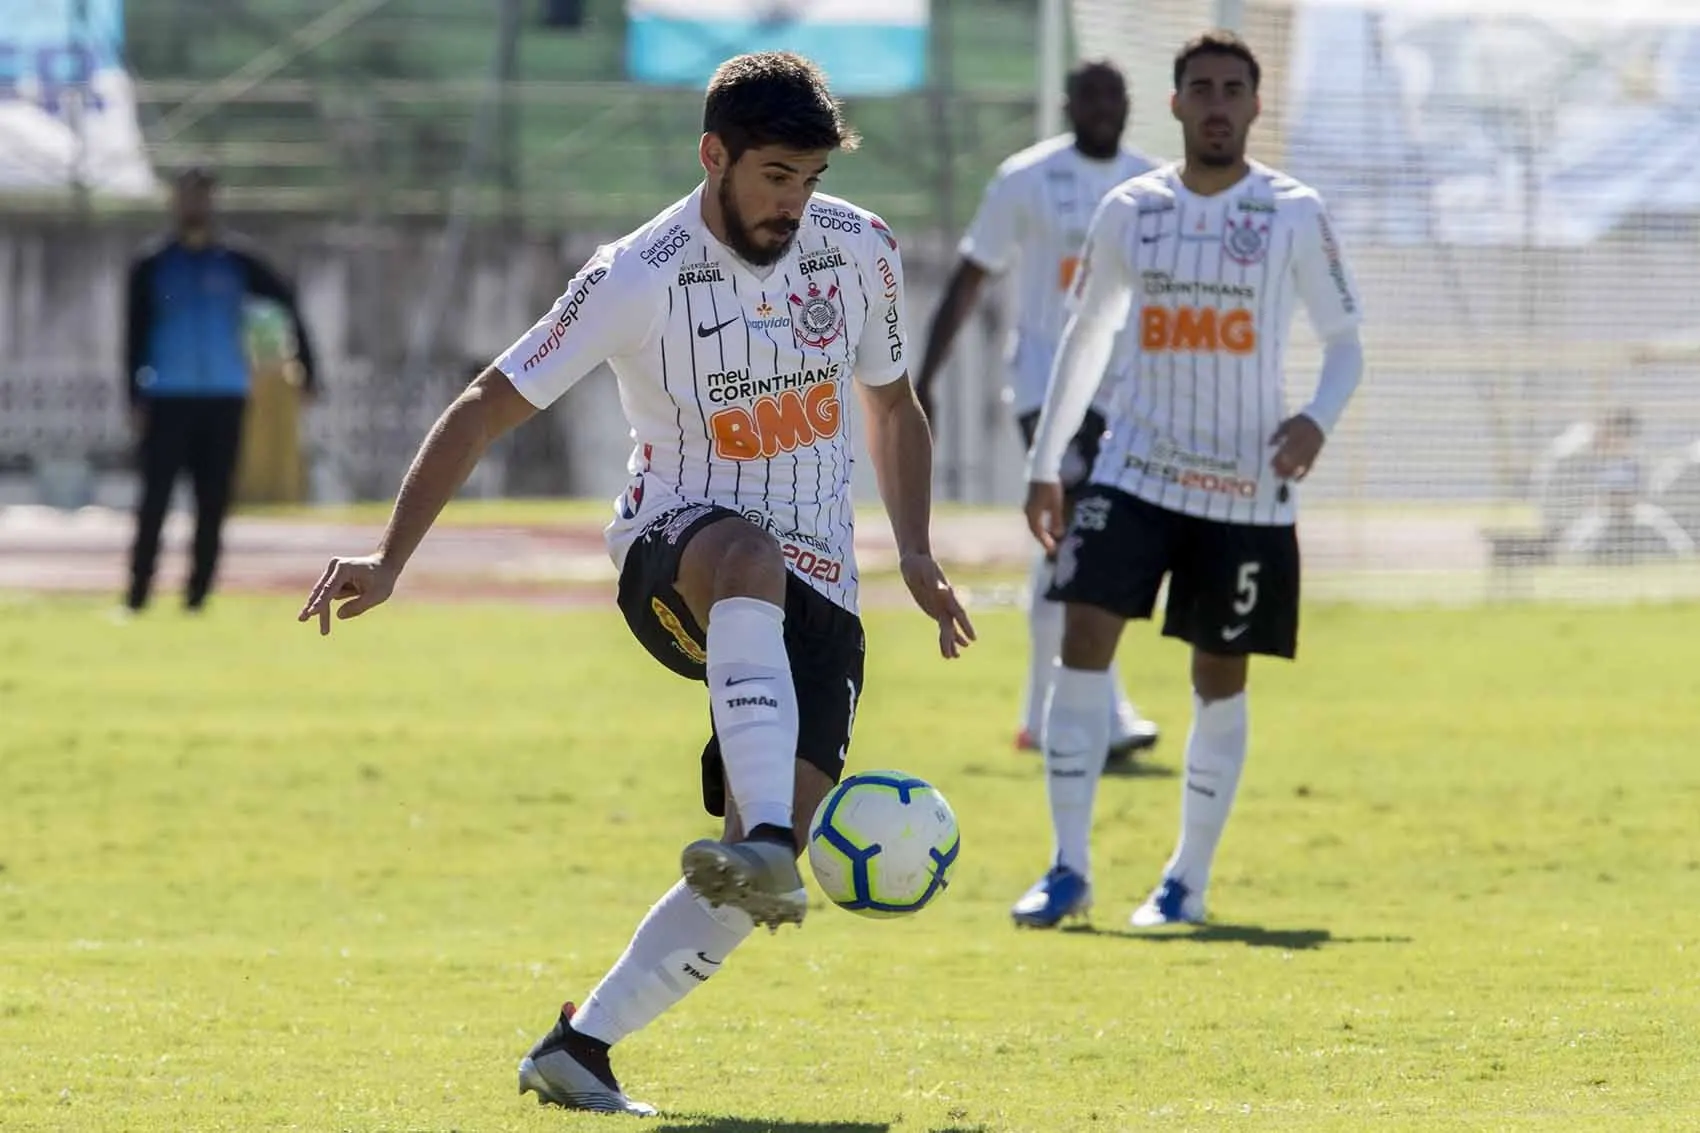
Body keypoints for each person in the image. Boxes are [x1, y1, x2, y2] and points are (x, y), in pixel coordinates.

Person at [295, 52, 974, 1116]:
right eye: (773, 178)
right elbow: (484, 403)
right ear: (714, 156)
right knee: (744, 556)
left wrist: (919, 552)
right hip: (678, 551)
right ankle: (754, 838)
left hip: (824, 586)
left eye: (808, 180)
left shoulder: (860, 252)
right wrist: (390, 558)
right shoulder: (639, 273)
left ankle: (580, 1047)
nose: (793, 204)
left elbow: (891, 407)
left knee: (767, 874)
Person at [1013, 30, 1366, 929]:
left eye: (1232, 89)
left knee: (1220, 677)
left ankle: (1186, 881)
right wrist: (1046, 463)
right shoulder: (1131, 209)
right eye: (1200, 88)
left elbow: (1344, 345)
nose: (1216, 103)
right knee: (1081, 640)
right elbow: (1085, 338)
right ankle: (1066, 868)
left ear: (1255, 105)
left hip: (1245, 491)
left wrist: (1316, 421)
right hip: (1135, 468)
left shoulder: (1292, 212)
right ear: (1174, 104)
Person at [915, 61, 1160, 766]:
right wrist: (924, 378)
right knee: (1083, 533)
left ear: (1128, 104)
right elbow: (970, 275)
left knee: (1072, 546)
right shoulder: (1025, 177)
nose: (1102, 108)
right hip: (1045, 388)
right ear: (1069, 104)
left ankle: (1042, 714)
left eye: (1114, 96)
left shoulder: (1152, 184)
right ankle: (1102, 710)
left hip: (1126, 391)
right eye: (1089, 95)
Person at [124, 166, 318, 613]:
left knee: (213, 498)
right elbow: (132, 337)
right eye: (188, 196)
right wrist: (133, 397)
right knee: (155, 498)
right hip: (167, 394)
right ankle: (137, 594)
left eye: (203, 197)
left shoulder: (238, 262)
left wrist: (308, 366)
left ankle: (197, 595)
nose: (195, 206)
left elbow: (288, 304)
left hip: (224, 395)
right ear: (175, 202)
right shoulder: (153, 265)